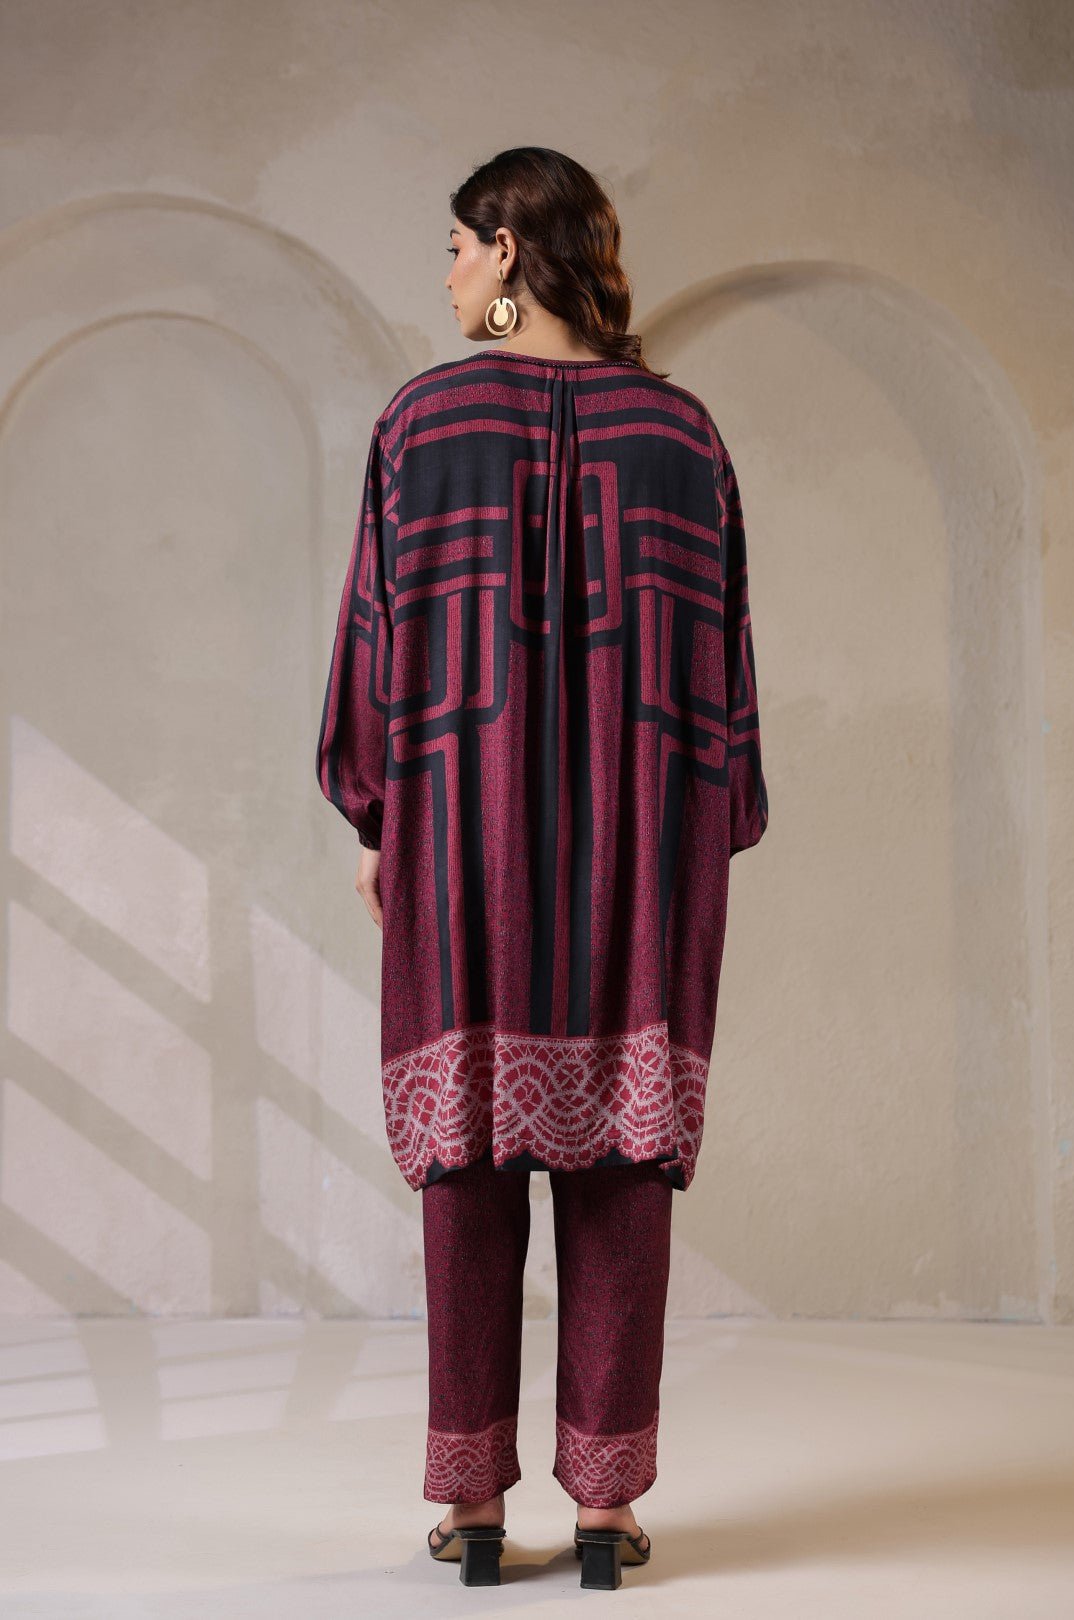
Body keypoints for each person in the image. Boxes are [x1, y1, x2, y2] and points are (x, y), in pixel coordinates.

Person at [315, 146, 768, 1589]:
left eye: (458, 246)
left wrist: (381, 818)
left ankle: (469, 1503)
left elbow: (375, 643)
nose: (449, 273)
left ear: (509, 248)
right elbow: (723, 672)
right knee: (624, 1167)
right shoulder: (683, 435)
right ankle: (609, 1509)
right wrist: (707, 832)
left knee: (466, 1163)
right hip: (644, 846)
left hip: (468, 837)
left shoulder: (423, 421)